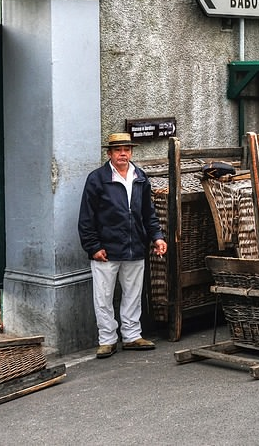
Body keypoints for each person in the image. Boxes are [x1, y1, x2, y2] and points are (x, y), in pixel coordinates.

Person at [78, 132, 168, 358]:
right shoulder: (97, 178)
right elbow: (86, 217)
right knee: (103, 297)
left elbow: (149, 213)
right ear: (109, 153)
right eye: (118, 150)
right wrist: (93, 246)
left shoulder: (140, 177)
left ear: (131, 151)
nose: (123, 154)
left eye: (127, 149)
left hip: (135, 246)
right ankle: (107, 340)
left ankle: (131, 336)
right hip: (106, 250)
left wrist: (157, 237)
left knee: (132, 295)